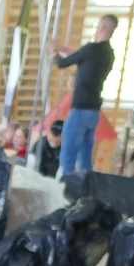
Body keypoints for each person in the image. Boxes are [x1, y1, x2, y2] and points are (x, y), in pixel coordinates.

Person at [54, 13, 118, 180]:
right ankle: (85, 188)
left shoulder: (90, 49)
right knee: (85, 156)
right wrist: (67, 50)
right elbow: (83, 57)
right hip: (94, 111)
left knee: (68, 154)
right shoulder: (109, 54)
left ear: (102, 28)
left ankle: (66, 187)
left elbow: (62, 63)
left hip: (80, 109)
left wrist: (54, 52)